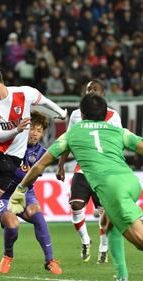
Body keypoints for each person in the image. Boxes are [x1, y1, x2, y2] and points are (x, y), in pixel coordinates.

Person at [9, 93, 143, 281]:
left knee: (141, 242)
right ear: (105, 114)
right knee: (108, 223)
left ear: (82, 113)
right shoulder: (119, 131)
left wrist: (21, 188)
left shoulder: (72, 134)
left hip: (113, 189)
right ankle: (122, 276)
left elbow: (40, 165)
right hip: (131, 182)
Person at [0, 66, 66, 261]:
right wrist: (17, 130)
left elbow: (43, 100)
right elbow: (0, 135)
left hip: (13, 160)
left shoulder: (24, 92)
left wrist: (61, 112)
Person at [56, 79, 122, 263]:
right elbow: (67, 140)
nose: (91, 91)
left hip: (105, 170)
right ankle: (86, 240)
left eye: (95, 89)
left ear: (103, 94)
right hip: (83, 168)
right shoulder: (78, 115)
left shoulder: (113, 116)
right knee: (76, 205)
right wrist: (61, 165)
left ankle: (104, 246)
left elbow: (118, 142)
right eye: (88, 89)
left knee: (103, 211)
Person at [0, 111, 62, 275]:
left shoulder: (41, 153)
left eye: (39, 131)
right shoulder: (9, 144)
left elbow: (30, 178)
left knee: (37, 215)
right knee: (12, 225)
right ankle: (8, 255)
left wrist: (16, 176)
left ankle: (50, 260)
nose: (35, 134)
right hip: (2, 193)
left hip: (25, 192)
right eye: (33, 129)